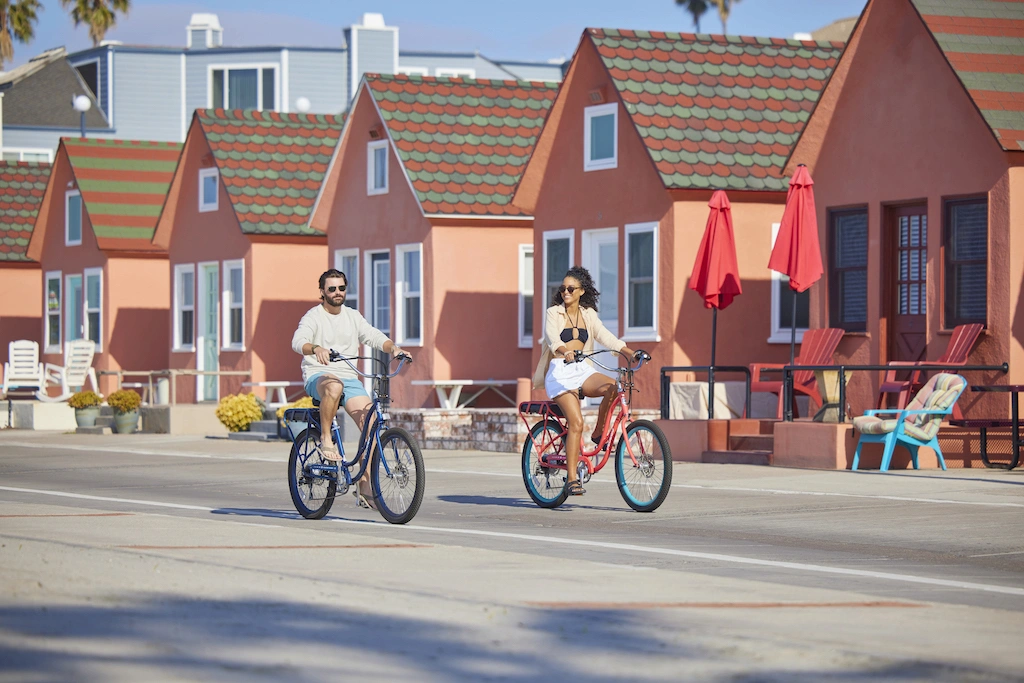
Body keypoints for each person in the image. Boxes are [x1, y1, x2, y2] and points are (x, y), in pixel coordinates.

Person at [291, 268, 409, 506]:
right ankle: (326, 438)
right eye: (331, 288)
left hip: (350, 379)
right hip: (319, 376)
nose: (337, 292)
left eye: (341, 288)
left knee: (372, 423)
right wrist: (315, 348)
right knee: (333, 386)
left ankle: (364, 486)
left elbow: (373, 335)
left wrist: (393, 348)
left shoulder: (352, 316)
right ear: (322, 291)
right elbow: (298, 340)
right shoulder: (313, 316)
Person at [536, 266, 640, 496]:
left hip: (582, 369)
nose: (566, 292)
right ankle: (572, 478)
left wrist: (629, 352)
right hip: (560, 372)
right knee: (576, 423)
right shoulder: (554, 313)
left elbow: (605, 336)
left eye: (571, 288)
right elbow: (552, 338)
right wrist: (564, 351)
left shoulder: (588, 314)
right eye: (562, 288)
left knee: (614, 387)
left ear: (581, 291)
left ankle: (599, 431)